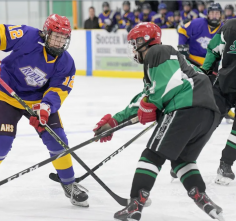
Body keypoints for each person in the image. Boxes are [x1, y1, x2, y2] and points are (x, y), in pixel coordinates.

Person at [93, 22, 223, 221]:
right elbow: (145, 98)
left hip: (186, 107)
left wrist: (150, 104)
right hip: (208, 115)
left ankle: (135, 204)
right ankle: (204, 200)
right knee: (182, 160)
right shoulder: (163, 67)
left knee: (152, 154)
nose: (133, 48)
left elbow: (167, 87)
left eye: (135, 43)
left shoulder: (158, 52)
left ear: (146, 41)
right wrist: (113, 123)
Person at [0, 14, 89, 207]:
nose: (59, 41)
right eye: (56, 36)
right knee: (1, 143)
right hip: (6, 95)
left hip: (38, 102)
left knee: (58, 140)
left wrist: (45, 108)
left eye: (63, 38)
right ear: (46, 33)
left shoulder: (66, 63)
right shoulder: (27, 36)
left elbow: (59, 90)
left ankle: (69, 184)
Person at [201, 18, 236, 185]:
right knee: (206, 123)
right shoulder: (229, 27)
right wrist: (206, 70)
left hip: (225, 83)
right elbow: (213, 49)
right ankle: (183, 158)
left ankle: (226, 164)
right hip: (224, 85)